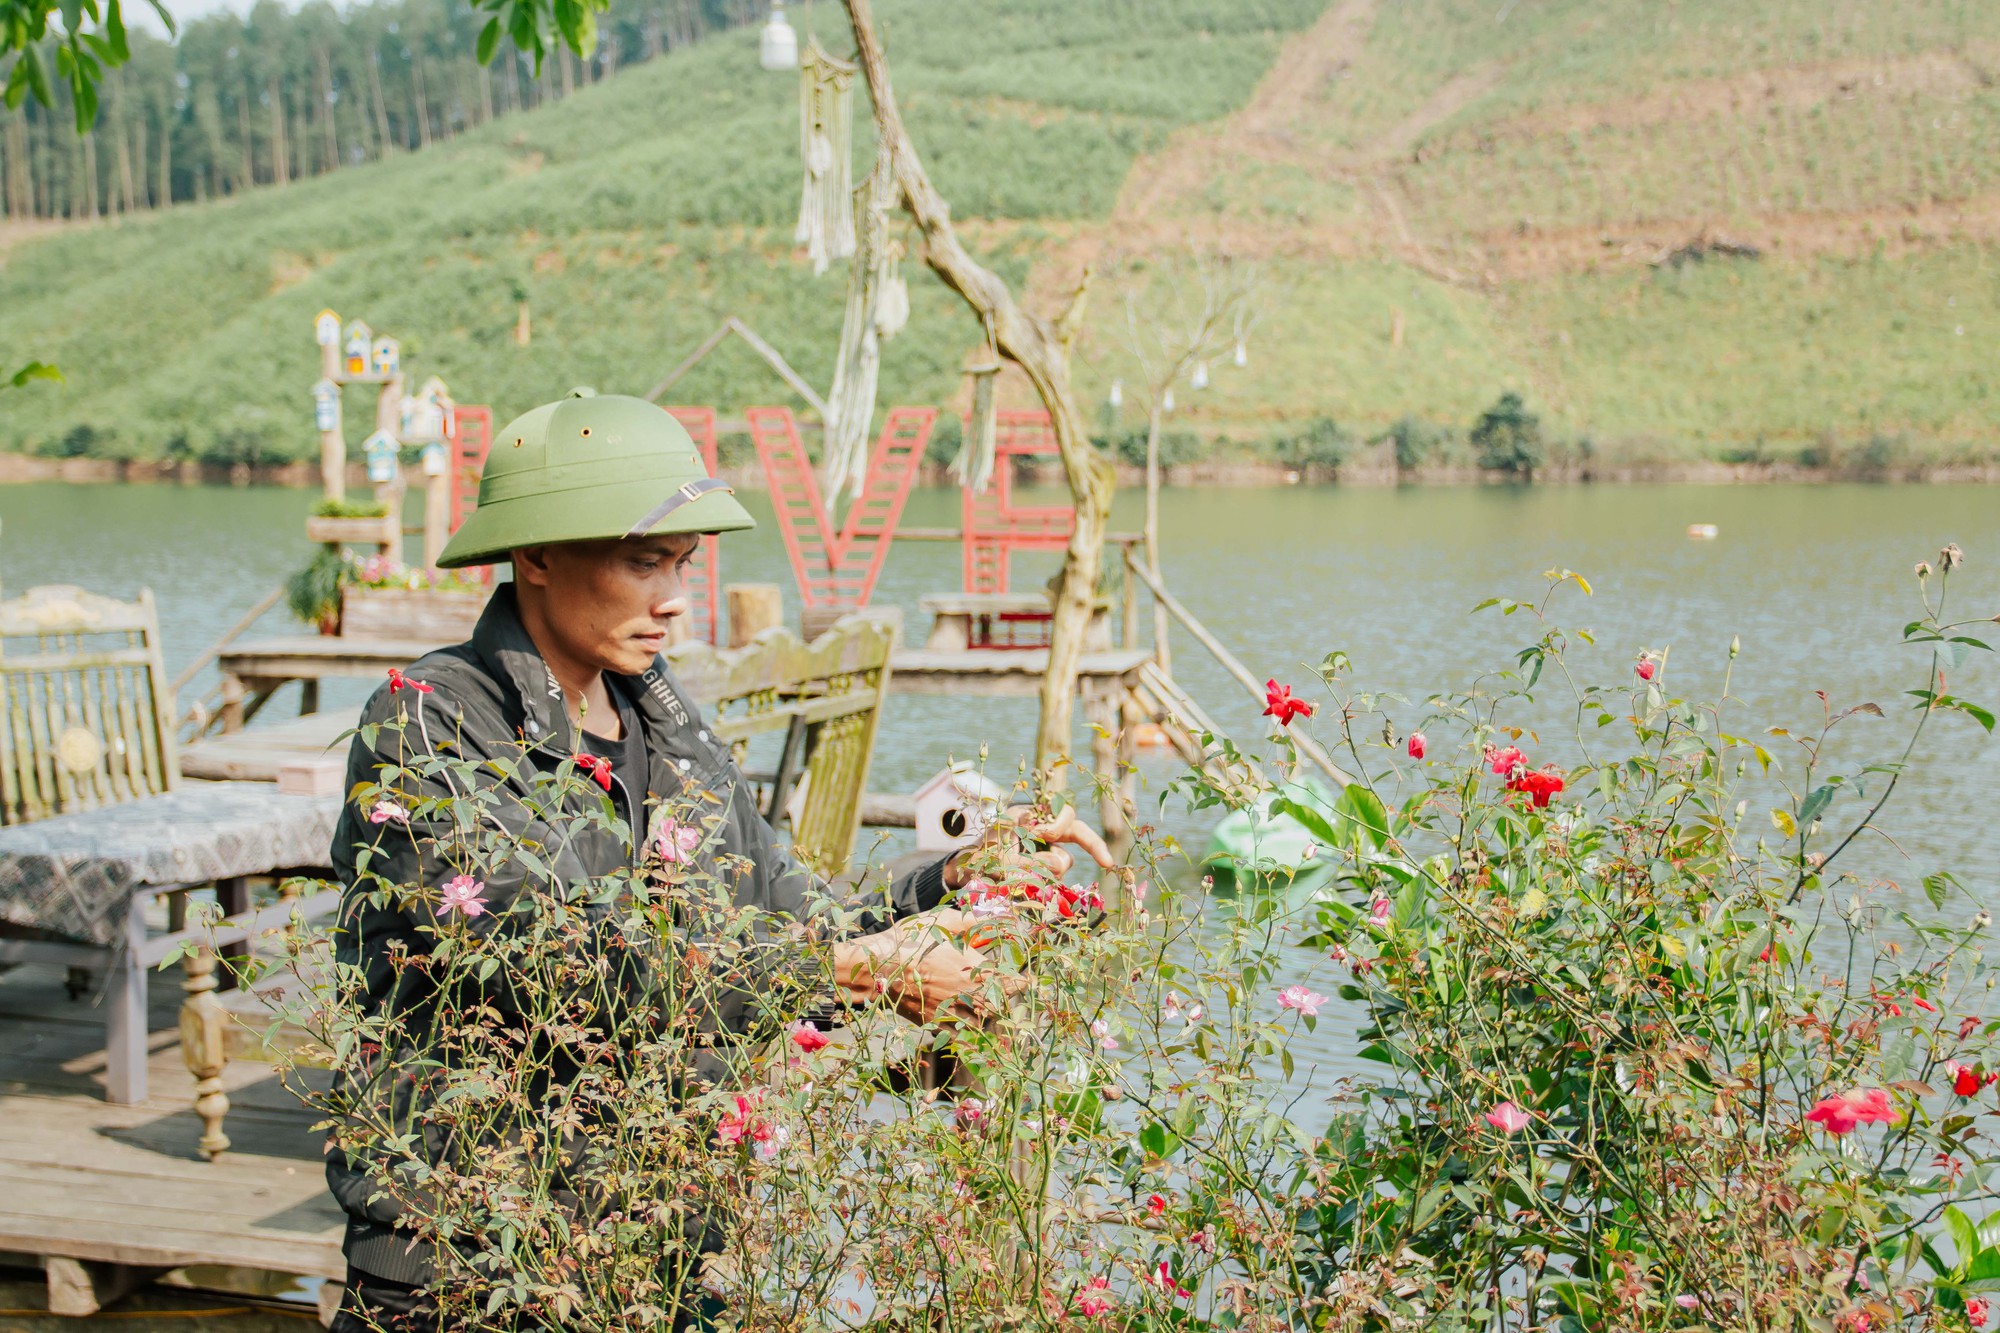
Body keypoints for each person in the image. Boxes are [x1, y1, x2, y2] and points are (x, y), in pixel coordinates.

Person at [321, 389, 1109, 1331]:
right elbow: (566, 958)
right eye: (643, 559)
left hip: (662, 1242)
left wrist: (954, 876)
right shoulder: (428, 718)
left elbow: (788, 913)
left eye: (683, 563)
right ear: (533, 554)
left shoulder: (668, 726)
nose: (673, 598)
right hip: (469, 1263)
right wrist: (854, 969)